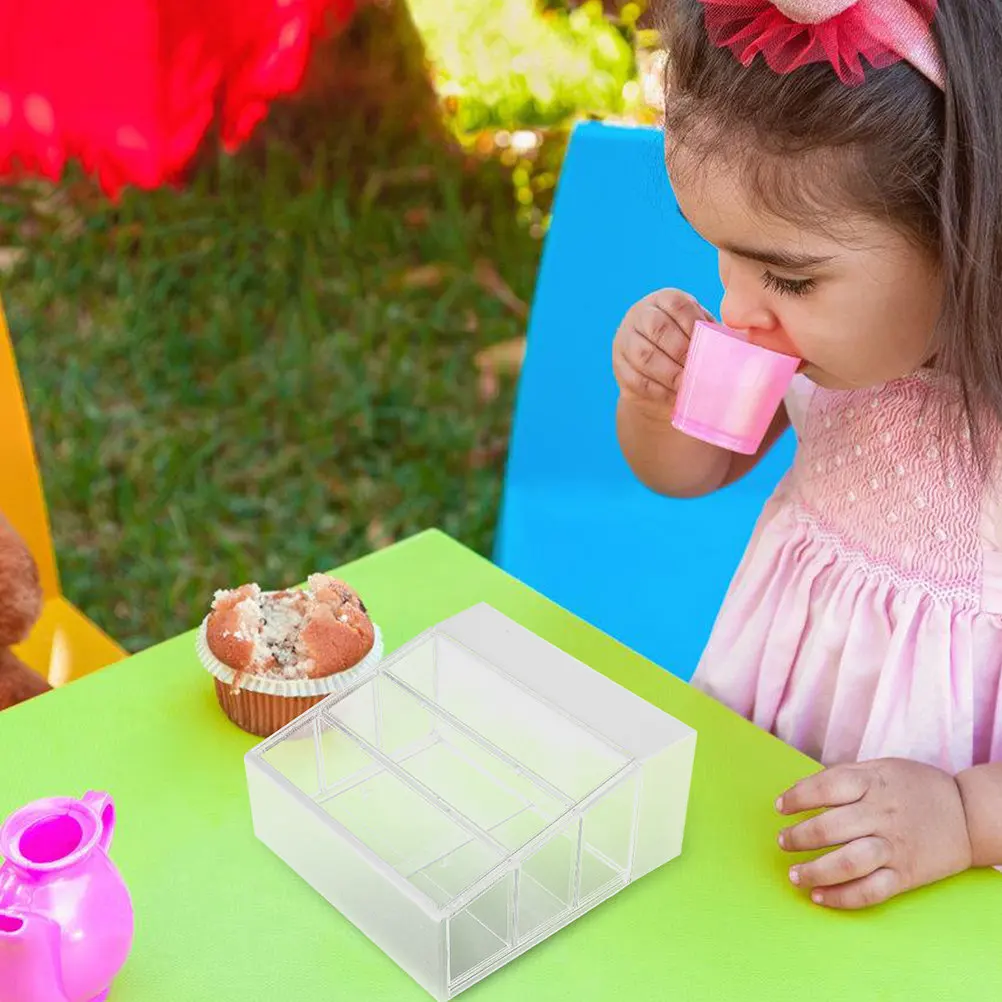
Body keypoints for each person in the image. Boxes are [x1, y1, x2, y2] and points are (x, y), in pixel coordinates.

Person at [613, 0, 1002, 909]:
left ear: (970, 233)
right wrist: (654, 395)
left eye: (788, 275)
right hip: (768, 770)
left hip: (954, 869)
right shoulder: (811, 344)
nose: (739, 309)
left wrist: (962, 816)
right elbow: (685, 471)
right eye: (722, 255)